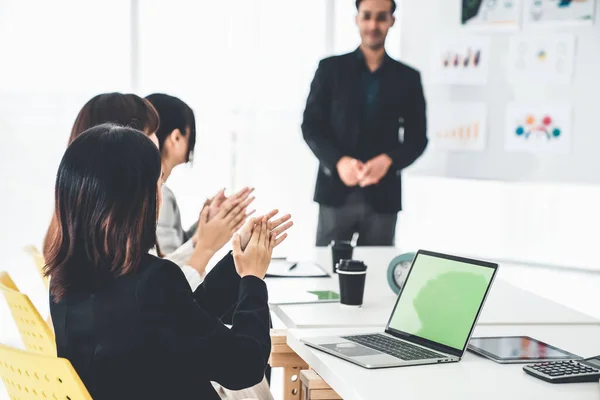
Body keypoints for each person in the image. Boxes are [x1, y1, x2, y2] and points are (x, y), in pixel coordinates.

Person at [45, 124, 290, 400]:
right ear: (137, 199)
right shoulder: (153, 281)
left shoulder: (65, 281)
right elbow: (244, 366)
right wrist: (253, 279)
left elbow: (181, 320)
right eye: (158, 183)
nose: (160, 192)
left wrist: (237, 260)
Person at [302, 0, 428, 247]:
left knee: (378, 275)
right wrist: (338, 162)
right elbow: (311, 126)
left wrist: (387, 161)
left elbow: (418, 138)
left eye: (381, 17)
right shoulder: (330, 69)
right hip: (335, 191)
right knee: (327, 271)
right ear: (357, 18)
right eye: (367, 16)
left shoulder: (408, 78)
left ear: (392, 20)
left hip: (383, 195)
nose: (373, 24)